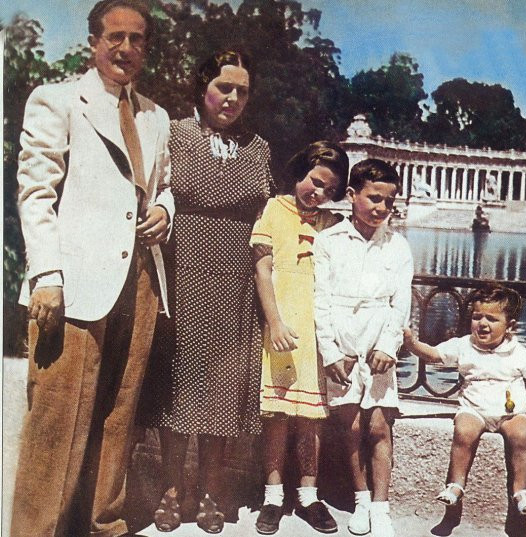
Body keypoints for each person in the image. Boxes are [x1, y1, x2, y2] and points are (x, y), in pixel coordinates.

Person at [11, 1, 174, 536]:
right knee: (56, 423)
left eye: (138, 39)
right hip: (73, 285)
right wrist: (48, 277)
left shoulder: (155, 116)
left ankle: (105, 524)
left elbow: (163, 185)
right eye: (115, 37)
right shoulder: (57, 100)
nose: (126, 49)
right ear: (93, 42)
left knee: (119, 414)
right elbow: (36, 193)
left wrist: (164, 210)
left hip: (140, 283)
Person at [140, 49, 274, 534]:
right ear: (203, 88)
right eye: (224, 87)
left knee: (221, 392)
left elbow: (267, 219)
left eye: (242, 90)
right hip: (182, 275)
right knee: (178, 389)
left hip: (236, 281)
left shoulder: (259, 148)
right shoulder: (175, 134)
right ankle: (174, 491)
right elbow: (157, 192)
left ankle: (213, 493)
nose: (232, 98)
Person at [250, 141, 349, 535]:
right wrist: (273, 322)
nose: (317, 191)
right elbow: (262, 268)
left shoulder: (330, 223)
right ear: (300, 174)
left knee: (310, 416)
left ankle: (308, 495)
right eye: (314, 180)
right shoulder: (275, 209)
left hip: (314, 330)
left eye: (328, 188)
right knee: (276, 413)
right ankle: (273, 495)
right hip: (280, 326)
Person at [313, 159, 414, 537]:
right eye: (373, 198)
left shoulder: (398, 246)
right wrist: (331, 352)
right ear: (352, 196)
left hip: (378, 339)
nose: (381, 208)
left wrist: (389, 345)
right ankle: (360, 499)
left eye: (389, 201)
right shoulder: (328, 242)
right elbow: (320, 300)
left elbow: (400, 302)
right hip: (342, 338)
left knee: (378, 425)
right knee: (351, 425)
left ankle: (381, 507)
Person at [402, 284, 526, 516]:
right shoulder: (464, 346)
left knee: (521, 435)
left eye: (492, 319)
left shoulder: (520, 353)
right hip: (474, 410)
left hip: (510, 414)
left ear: (510, 326)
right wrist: (412, 344)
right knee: (463, 432)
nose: (483, 324)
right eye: (477, 317)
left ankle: (520, 491)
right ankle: (456, 486)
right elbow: (435, 354)